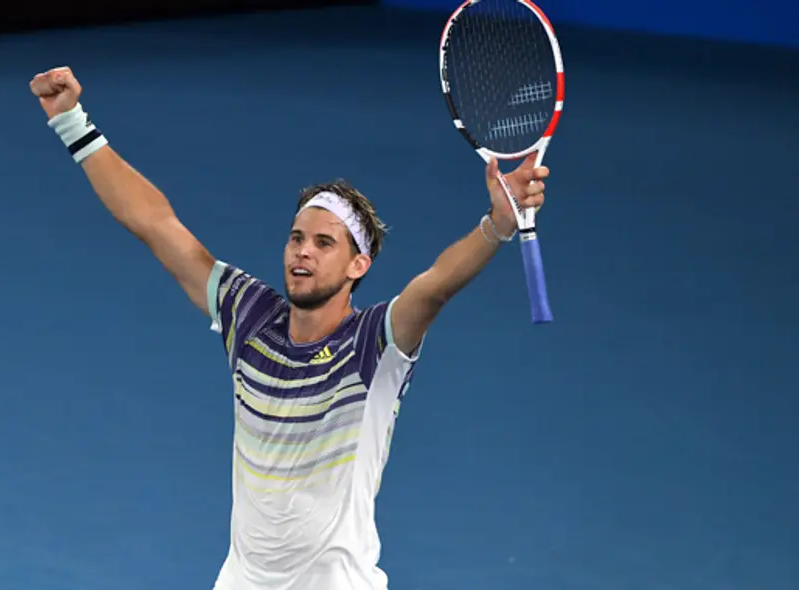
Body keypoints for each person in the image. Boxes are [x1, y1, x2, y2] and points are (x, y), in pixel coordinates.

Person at [30, 66, 548, 590]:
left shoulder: (375, 346)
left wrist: (496, 226)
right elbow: (157, 225)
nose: (303, 250)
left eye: (325, 243)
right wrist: (73, 124)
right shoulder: (249, 316)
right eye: (297, 237)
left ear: (357, 266)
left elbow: (434, 286)